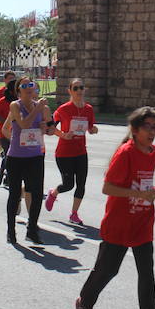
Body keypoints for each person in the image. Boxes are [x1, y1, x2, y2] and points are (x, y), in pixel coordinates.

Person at [75, 106, 155, 309]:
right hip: (119, 222)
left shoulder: (153, 151)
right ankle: (85, 301)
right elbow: (108, 188)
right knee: (107, 270)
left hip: (143, 223)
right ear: (135, 130)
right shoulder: (125, 153)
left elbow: (143, 184)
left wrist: (153, 194)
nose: (152, 132)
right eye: (147, 127)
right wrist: (138, 193)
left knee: (146, 277)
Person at [2, 76, 55, 244]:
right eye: (24, 85)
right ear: (19, 91)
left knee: (38, 194)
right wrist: (37, 108)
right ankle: (11, 230)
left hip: (35, 156)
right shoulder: (15, 106)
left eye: (31, 84)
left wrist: (45, 128)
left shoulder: (43, 108)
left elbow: (51, 130)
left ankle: (32, 229)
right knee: (14, 194)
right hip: (16, 157)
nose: (29, 87)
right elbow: (24, 125)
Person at [46, 78, 98, 225]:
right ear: (70, 91)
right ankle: (53, 193)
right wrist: (63, 134)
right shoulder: (63, 109)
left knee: (81, 185)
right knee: (68, 185)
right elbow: (50, 128)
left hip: (81, 152)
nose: (79, 91)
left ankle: (74, 214)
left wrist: (93, 130)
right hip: (64, 153)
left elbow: (90, 127)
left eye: (81, 88)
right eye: (75, 88)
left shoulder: (88, 109)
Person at [0, 81, 17, 186]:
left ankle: (5, 176)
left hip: (16, 134)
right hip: (4, 134)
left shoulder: (19, 102)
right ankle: (3, 174)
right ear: (11, 91)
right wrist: (5, 121)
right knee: (8, 155)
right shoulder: (3, 101)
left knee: (11, 156)